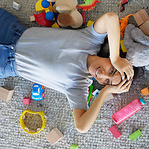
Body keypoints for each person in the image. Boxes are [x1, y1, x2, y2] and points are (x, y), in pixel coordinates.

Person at [0, 8, 134, 133]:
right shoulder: (91, 40)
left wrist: (105, 92)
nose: (103, 74)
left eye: (106, 82)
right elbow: (110, 17)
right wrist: (116, 57)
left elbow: (81, 126)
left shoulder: (78, 86)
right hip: (12, 29)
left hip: (6, 63)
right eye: (111, 70)